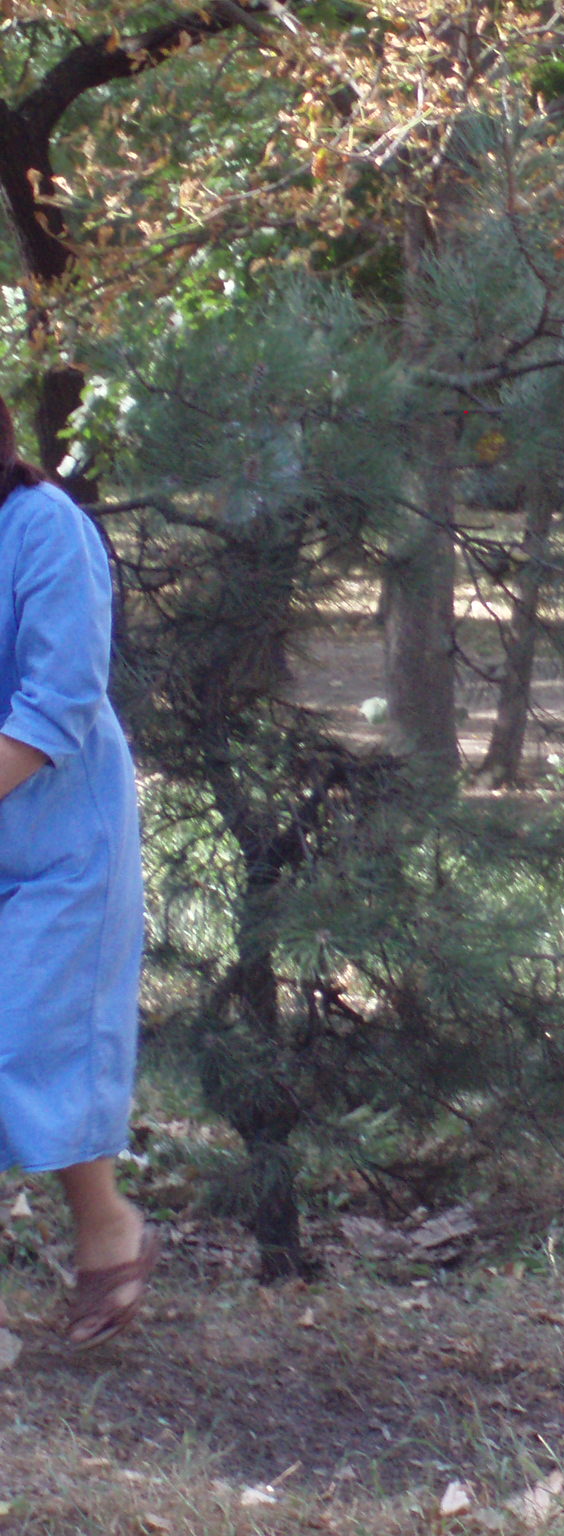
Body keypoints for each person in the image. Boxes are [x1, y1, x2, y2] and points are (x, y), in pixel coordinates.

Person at [0, 400, 155, 1347]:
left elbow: (57, 703)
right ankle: (106, 1227)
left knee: (28, 1043)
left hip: (62, 844)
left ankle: (108, 1222)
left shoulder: (46, 528)